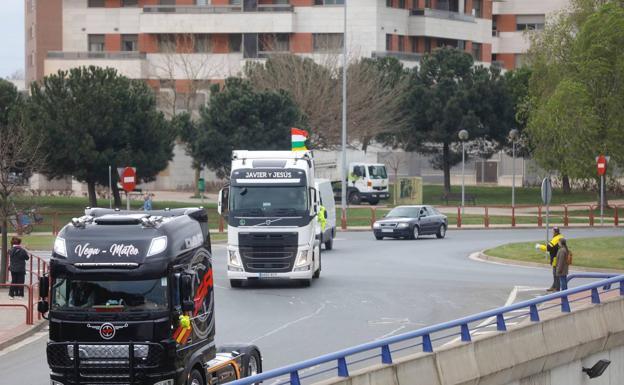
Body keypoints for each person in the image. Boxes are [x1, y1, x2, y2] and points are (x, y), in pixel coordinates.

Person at [536, 226, 564, 292]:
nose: (552, 232)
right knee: (556, 274)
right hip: (558, 257)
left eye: (553, 231)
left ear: (554, 231)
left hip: (555, 258)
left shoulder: (555, 239)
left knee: (555, 274)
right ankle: (554, 286)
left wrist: (540, 246)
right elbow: (555, 248)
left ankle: (557, 289)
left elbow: (548, 248)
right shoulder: (561, 236)